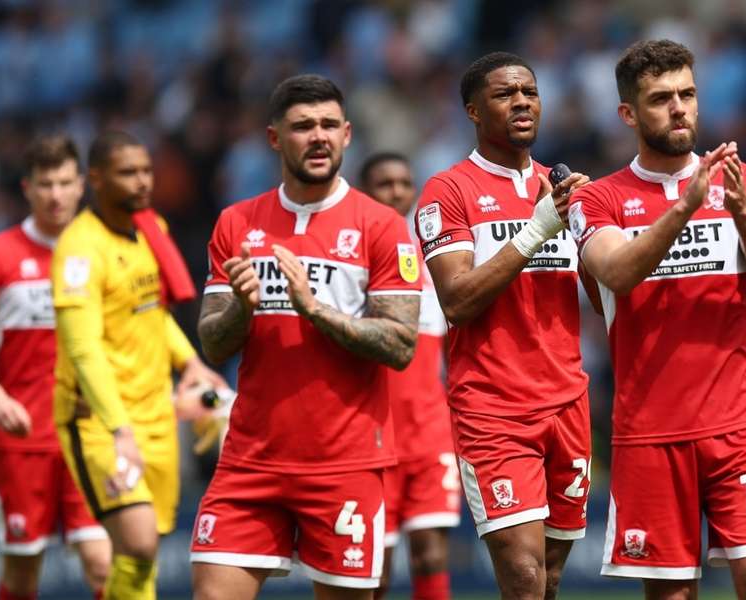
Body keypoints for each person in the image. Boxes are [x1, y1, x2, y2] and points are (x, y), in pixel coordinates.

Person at [569, 39, 746, 600]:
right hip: (649, 431)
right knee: (671, 595)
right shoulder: (598, 199)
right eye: (661, 98)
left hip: (740, 425)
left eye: (688, 94)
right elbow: (615, 272)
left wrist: (740, 209)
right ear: (628, 113)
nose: (680, 108)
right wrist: (684, 207)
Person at [189, 75, 422, 600]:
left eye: (327, 126)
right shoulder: (236, 222)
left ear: (347, 134)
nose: (317, 137)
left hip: (345, 463)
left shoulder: (381, 226)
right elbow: (214, 341)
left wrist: (315, 310)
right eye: (302, 127)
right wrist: (243, 310)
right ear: (275, 139)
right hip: (250, 459)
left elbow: (401, 344)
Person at [414, 52, 595, 600]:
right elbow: (457, 300)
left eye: (530, 92)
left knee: (552, 578)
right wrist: (539, 227)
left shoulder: (567, 190)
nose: (521, 101)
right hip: (493, 408)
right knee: (523, 577)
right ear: (473, 110)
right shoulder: (448, 191)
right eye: (504, 94)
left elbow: (606, 296)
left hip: (569, 403)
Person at [50, 130, 226, 600]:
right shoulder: (79, 251)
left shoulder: (154, 229)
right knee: (140, 542)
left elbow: (153, 313)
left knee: (142, 553)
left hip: (158, 413)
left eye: (146, 170)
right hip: (100, 424)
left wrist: (191, 364)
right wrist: (119, 430)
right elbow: (82, 348)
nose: (143, 181)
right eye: (128, 173)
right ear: (96, 179)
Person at [0, 135, 111, 600]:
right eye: (46, 184)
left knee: (103, 564)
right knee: (22, 575)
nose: (56, 195)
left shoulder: (104, 250)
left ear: (82, 184)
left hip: (90, 436)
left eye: (65, 182)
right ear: (28, 187)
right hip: (22, 441)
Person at [360, 153, 461, 600]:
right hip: (373, 434)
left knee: (431, 556)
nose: (397, 191)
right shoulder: (355, 260)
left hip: (429, 430)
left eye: (404, 182)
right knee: (376, 572)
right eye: (384, 183)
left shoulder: (433, 259)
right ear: (364, 192)